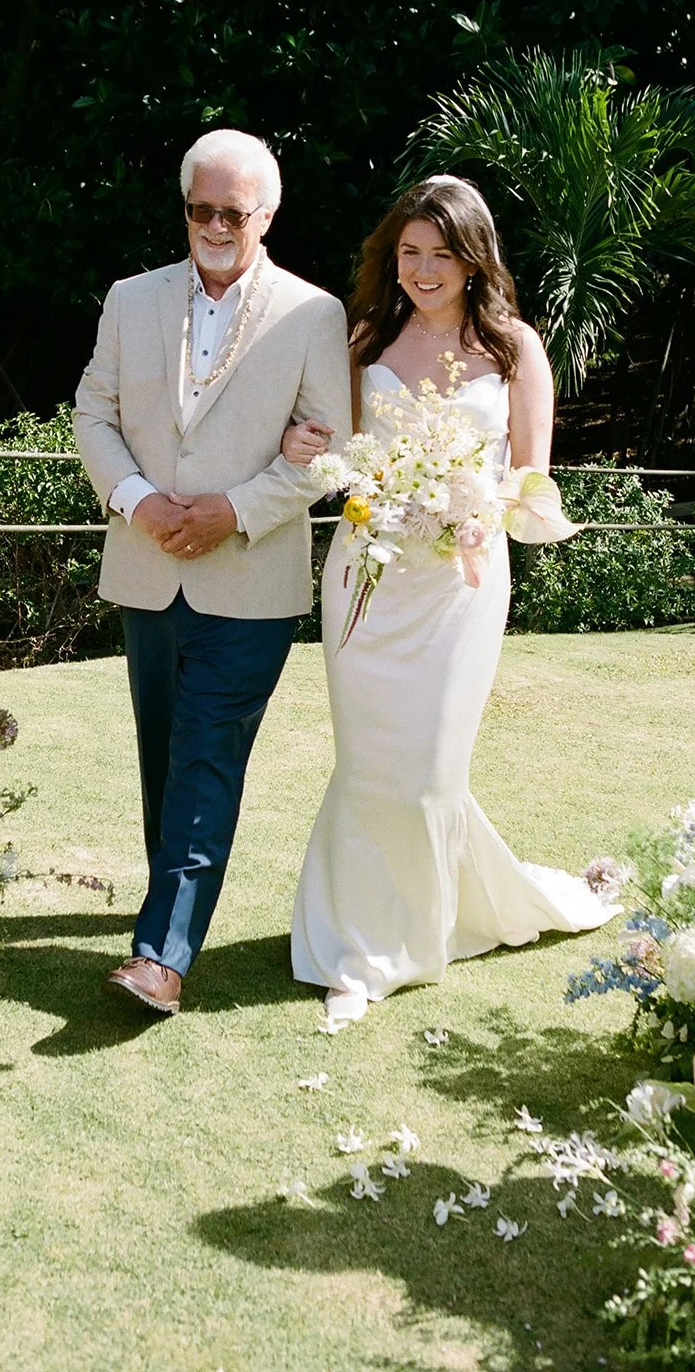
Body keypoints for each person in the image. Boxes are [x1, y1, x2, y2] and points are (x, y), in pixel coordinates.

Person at [282, 175, 618, 1029]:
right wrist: (303, 445)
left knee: (430, 768)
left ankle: (423, 927)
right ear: (389, 259)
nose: (423, 270)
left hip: (461, 582)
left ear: (475, 260)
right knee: (369, 764)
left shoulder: (513, 350)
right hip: (368, 574)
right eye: (408, 253)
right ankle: (359, 951)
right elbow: (333, 450)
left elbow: (532, 480)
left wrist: (479, 506)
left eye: (440, 254)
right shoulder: (361, 341)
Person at [73, 129, 351, 1017]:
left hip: (250, 576)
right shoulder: (129, 298)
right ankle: (170, 904)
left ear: (266, 215)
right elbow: (92, 413)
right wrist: (136, 499)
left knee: (206, 756)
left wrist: (233, 510)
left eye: (235, 212)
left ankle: (161, 956)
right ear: (185, 209)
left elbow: (329, 452)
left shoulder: (314, 314)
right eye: (202, 209)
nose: (216, 226)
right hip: (146, 566)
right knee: (165, 755)